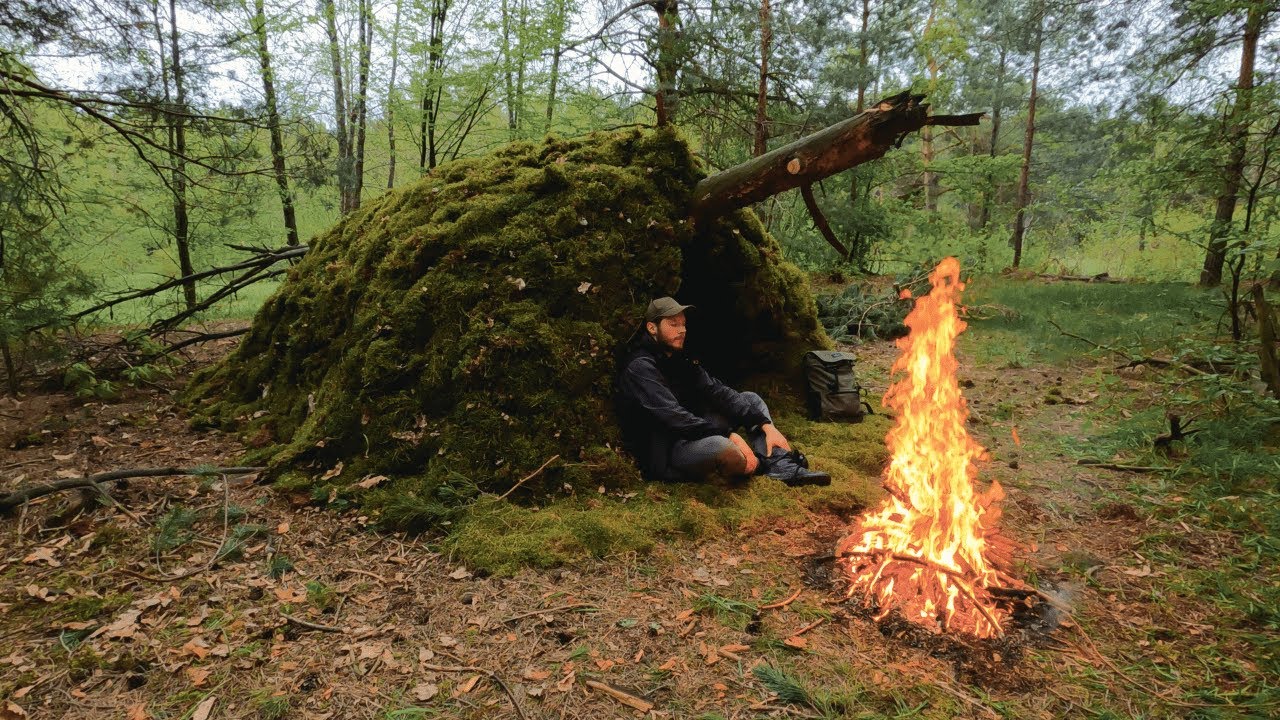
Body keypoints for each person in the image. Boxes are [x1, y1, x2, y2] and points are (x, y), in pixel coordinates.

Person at [616, 296, 831, 486]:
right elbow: (673, 417)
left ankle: (780, 465)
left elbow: (716, 391)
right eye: (673, 324)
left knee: (750, 400)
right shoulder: (640, 367)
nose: (682, 330)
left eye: (684, 324)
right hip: (668, 449)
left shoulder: (678, 358)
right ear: (652, 328)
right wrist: (728, 434)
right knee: (726, 450)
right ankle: (764, 465)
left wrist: (765, 424)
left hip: (695, 431)